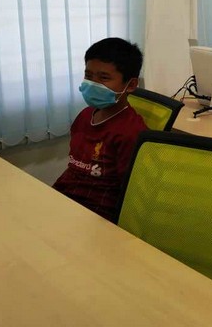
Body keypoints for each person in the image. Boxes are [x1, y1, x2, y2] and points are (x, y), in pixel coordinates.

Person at [53, 37, 147, 221]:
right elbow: (74, 168)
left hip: (99, 211)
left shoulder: (131, 133)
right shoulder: (85, 116)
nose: (93, 84)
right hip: (66, 197)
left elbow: (130, 191)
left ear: (131, 85)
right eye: (88, 76)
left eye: (104, 78)